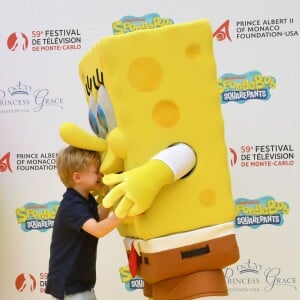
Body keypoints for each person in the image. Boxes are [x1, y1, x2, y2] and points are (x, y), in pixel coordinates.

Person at [45, 145, 123, 300]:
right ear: (77, 177)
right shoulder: (72, 205)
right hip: (71, 286)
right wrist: (123, 214)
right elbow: (97, 230)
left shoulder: (86, 199)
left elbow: (97, 220)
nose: (100, 175)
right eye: (96, 172)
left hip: (82, 284)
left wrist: (109, 197)